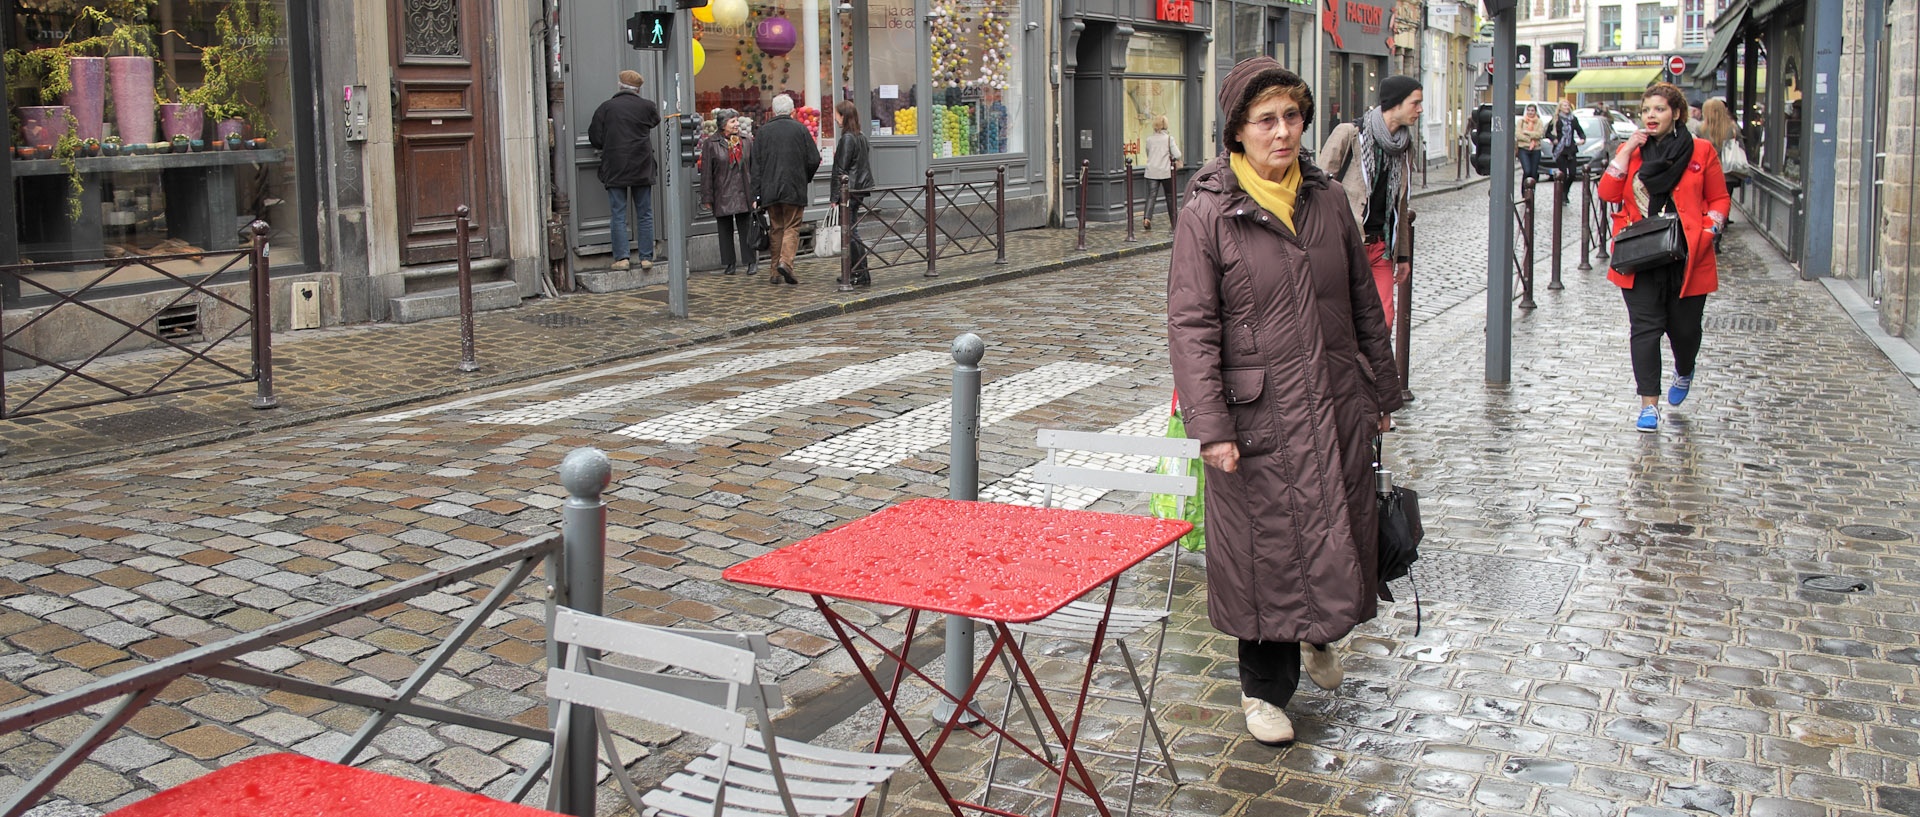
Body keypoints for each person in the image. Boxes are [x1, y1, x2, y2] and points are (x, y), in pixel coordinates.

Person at [1167, 56, 1404, 747]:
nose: (1282, 132)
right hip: (1253, 416)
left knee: (1333, 523)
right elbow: (1191, 326)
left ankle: (1320, 631)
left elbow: (1364, 302)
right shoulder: (1209, 212)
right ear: (1236, 131)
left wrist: (1381, 390)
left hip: (1332, 400)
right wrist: (1210, 426)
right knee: (1264, 550)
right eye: (1266, 119)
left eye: (1292, 117)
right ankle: (1262, 690)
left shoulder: (1327, 199)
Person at [1598, 82, 1729, 433]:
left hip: (1687, 258)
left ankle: (1684, 369)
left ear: (1676, 113)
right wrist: (1625, 153)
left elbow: (1719, 200)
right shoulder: (1635, 152)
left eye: (1658, 109)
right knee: (1644, 330)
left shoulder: (1701, 151)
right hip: (1640, 258)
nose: (1651, 116)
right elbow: (1608, 192)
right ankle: (1648, 406)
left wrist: (1708, 232)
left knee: (1685, 332)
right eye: (1646, 110)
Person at [1317, 75, 1422, 329]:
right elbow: (1318, 188)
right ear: (1395, 104)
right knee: (1345, 320)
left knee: (1384, 320)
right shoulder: (1350, 134)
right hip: (1347, 243)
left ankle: (1369, 369)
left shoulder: (1405, 146)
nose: (1419, 110)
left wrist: (1404, 255)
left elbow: (1401, 206)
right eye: (1415, 103)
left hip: (1381, 248)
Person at [588, 70, 662, 271]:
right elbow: (656, 121)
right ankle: (646, 257)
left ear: (620, 86)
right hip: (642, 165)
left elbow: (595, 137)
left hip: (616, 166)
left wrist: (611, 144)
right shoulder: (647, 107)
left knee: (618, 214)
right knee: (645, 213)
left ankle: (622, 258)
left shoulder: (606, 108)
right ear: (638, 89)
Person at [750, 93, 820, 285]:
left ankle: (774, 272)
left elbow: (755, 165)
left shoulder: (763, 132)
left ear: (773, 111)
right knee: (792, 227)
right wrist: (804, 177)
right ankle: (786, 263)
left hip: (769, 190)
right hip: (794, 187)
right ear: (792, 111)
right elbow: (814, 159)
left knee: (776, 228)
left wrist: (755, 193)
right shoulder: (800, 130)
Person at [700, 113, 756, 276]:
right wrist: (707, 196)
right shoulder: (710, 143)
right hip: (722, 191)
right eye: (733, 121)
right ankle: (729, 263)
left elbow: (754, 168)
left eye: (737, 121)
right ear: (723, 124)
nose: (737, 124)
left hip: (744, 190)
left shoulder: (746, 141)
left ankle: (751, 261)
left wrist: (756, 193)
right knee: (724, 230)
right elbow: (706, 173)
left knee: (746, 228)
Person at [830, 100, 874, 286]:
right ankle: (858, 271)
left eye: (837, 115)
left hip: (850, 190)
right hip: (858, 189)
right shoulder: (860, 136)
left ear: (844, 116)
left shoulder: (848, 138)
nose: (834, 118)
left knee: (850, 231)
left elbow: (841, 169)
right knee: (851, 230)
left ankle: (859, 272)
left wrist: (835, 197)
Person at [1141, 115, 1183, 231]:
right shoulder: (1169, 139)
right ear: (1165, 125)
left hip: (1151, 171)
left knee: (1151, 195)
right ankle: (1173, 221)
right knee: (1170, 196)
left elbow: (1148, 152)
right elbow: (1178, 155)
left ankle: (1147, 218)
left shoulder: (1149, 139)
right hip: (1165, 171)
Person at [1544, 99, 1586, 204]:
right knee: (1563, 174)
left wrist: (1582, 139)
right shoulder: (1556, 119)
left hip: (1570, 149)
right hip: (1560, 149)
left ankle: (1565, 192)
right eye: (1564, 106)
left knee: (1572, 173)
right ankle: (1561, 195)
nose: (1567, 107)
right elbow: (1547, 133)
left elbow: (1580, 131)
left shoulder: (1573, 119)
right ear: (1560, 108)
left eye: (1568, 105)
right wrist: (1553, 139)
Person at [1701, 98, 1745, 192]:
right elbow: (1741, 147)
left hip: (1707, 174)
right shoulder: (1733, 128)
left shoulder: (1700, 129)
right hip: (1727, 174)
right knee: (1724, 203)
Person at [1517, 106, 1547, 181]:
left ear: (1535, 112)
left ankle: (1531, 191)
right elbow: (1518, 134)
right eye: (1529, 110)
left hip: (1536, 149)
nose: (1530, 112)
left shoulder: (1539, 122)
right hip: (1524, 148)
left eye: (1532, 110)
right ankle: (1525, 190)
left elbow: (1539, 134)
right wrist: (1530, 139)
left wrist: (1527, 132)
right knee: (1527, 171)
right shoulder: (1521, 121)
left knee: (1534, 173)